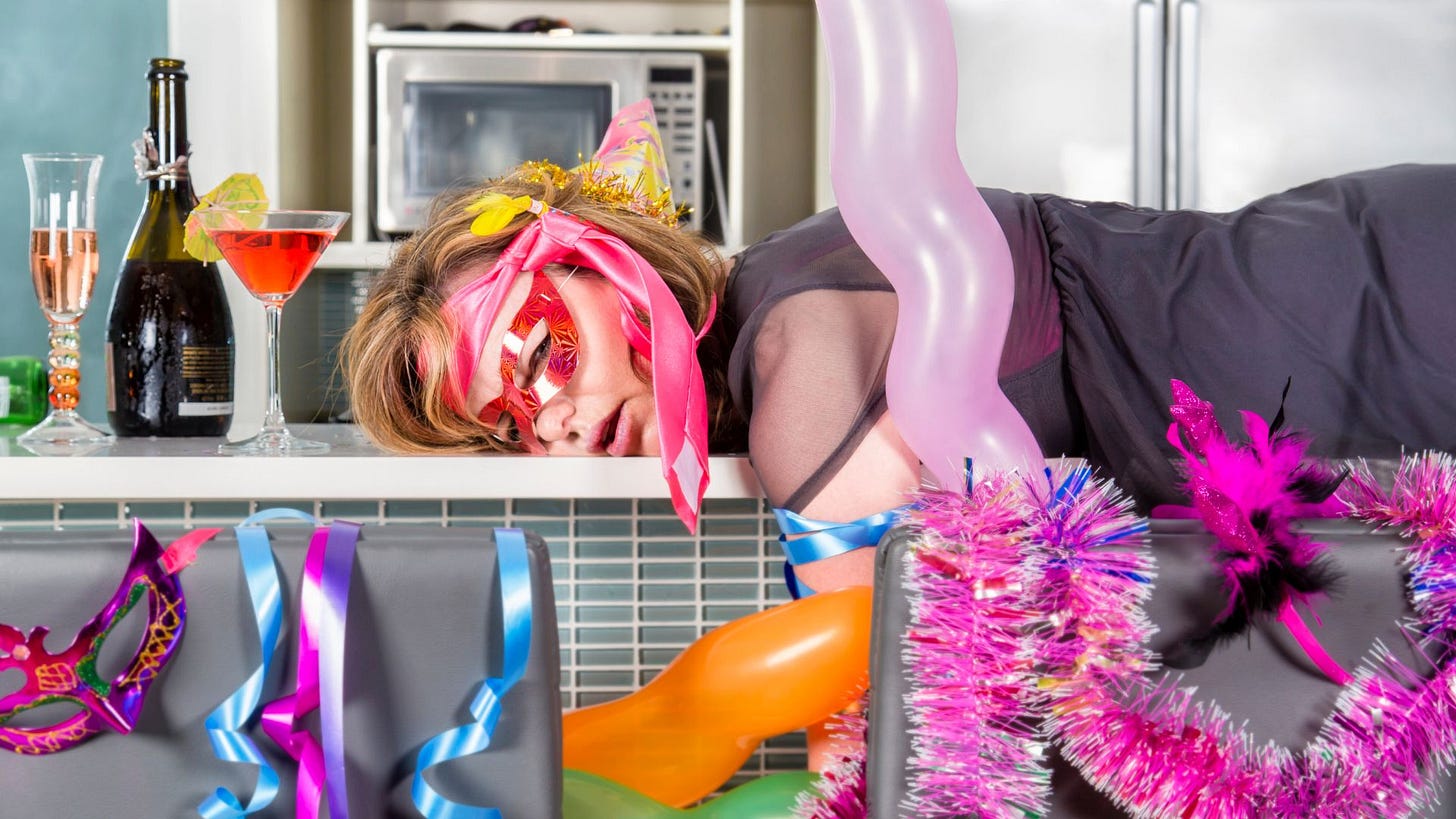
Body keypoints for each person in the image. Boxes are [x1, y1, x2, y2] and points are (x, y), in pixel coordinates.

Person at [342, 101, 1456, 597]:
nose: (558, 425)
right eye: (511, 426)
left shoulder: (793, 349)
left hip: (1395, 316)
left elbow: (882, 670)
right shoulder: (780, 295)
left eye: (539, 353)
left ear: (599, 262)